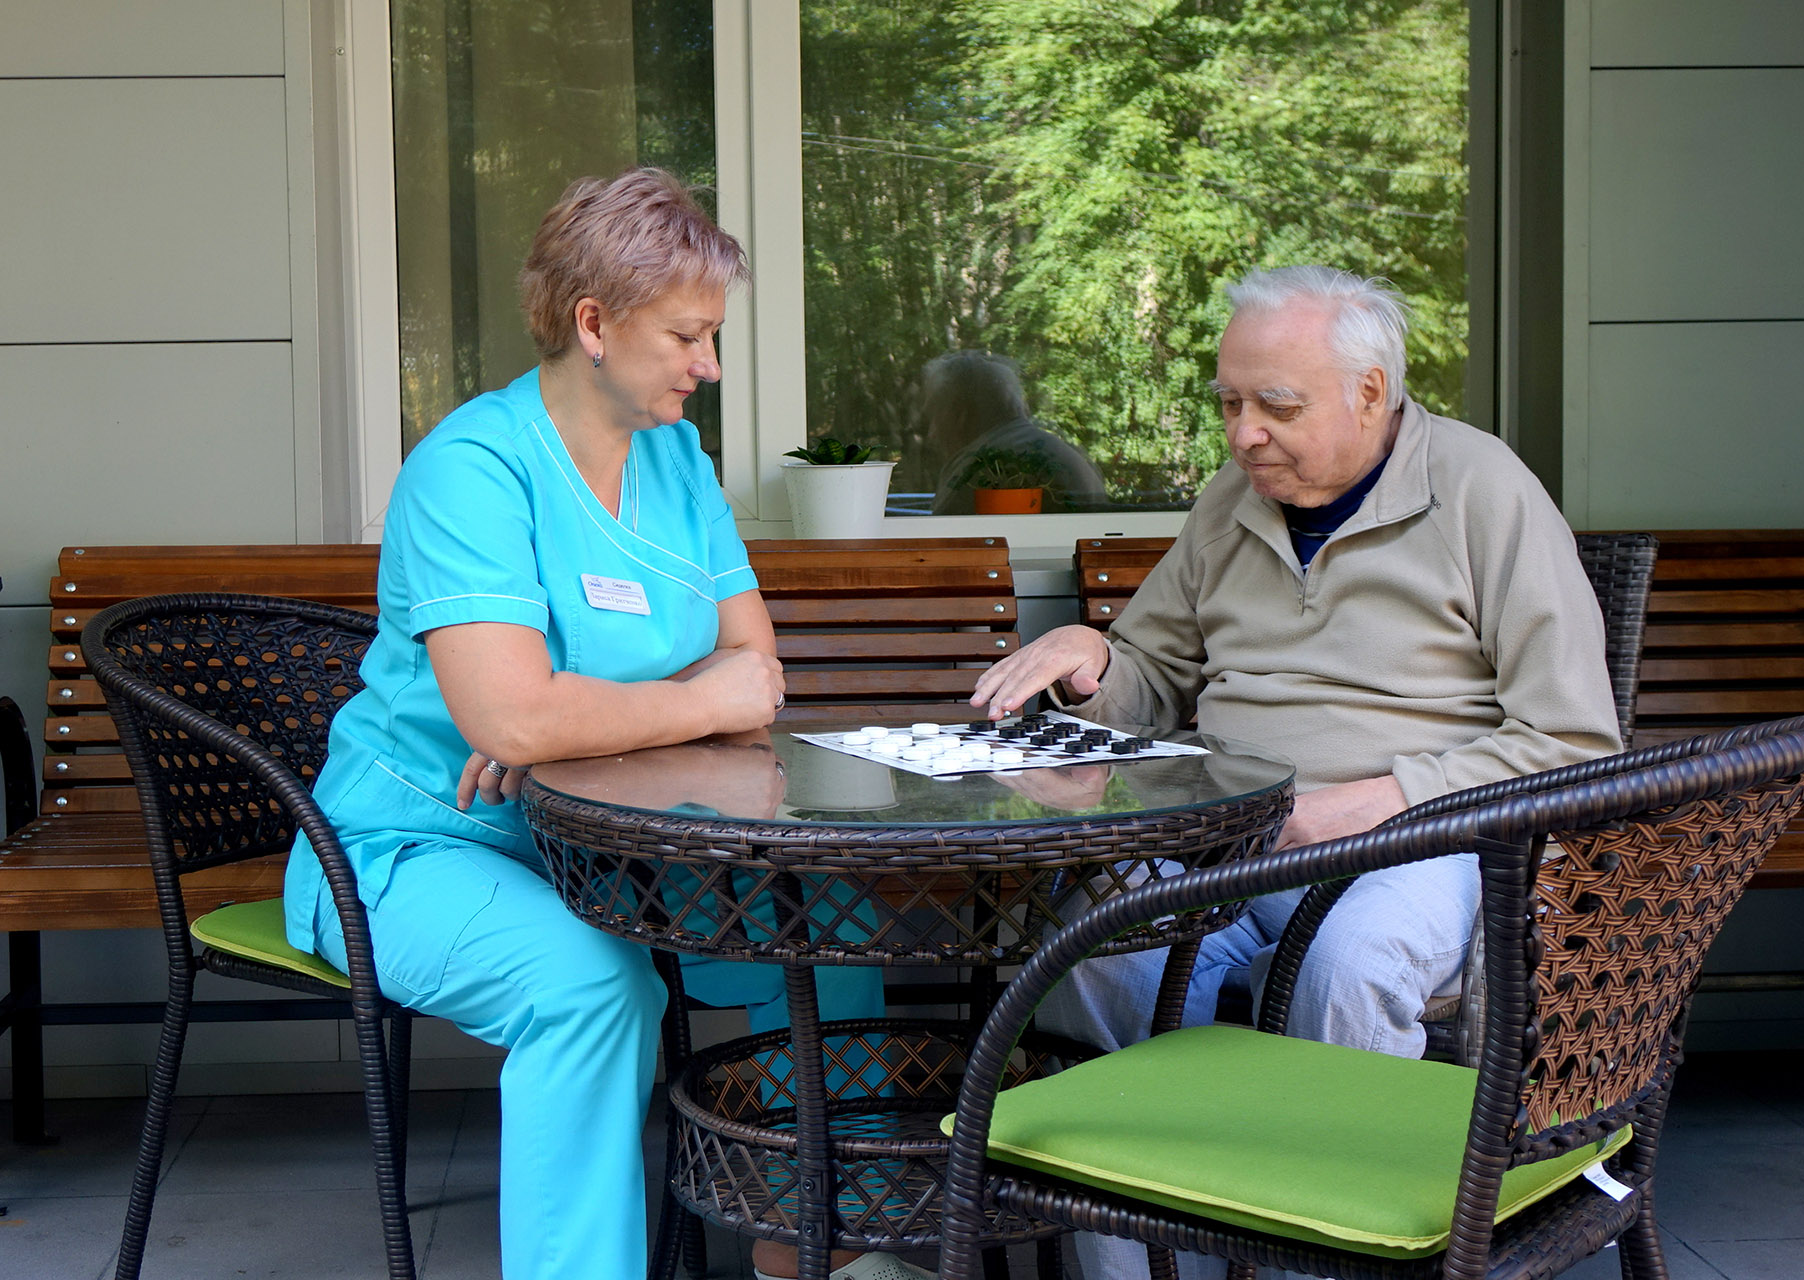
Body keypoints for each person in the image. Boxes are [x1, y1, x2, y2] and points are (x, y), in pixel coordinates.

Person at [282, 168, 923, 1280]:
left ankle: (815, 1241)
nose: (709, 366)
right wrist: (576, 714)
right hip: (417, 843)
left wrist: (572, 722)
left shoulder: (676, 457)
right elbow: (517, 714)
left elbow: (751, 666)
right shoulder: (471, 470)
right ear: (593, 322)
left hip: (616, 836)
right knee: (589, 986)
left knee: (828, 926)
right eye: (688, 335)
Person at [968, 265, 1623, 1277]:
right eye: (1230, 402)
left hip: (1422, 843)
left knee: (1348, 969)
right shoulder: (1232, 502)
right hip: (1232, 842)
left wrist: (1387, 796)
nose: (1242, 433)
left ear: (1372, 393)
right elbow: (1150, 671)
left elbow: (1576, 736)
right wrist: (1093, 661)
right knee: (1089, 958)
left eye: (1276, 405)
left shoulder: (1483, 490)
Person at [920, 350, 1106, 513]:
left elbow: (948, 543)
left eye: (935, 416)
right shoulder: (1057, 449)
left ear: (959, 414)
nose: (932, 434)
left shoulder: (980, 468)